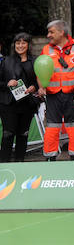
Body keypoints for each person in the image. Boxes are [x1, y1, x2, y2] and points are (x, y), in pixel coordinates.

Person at [41, 20, 74, 161]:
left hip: (73, 93)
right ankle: (49, 157)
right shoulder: (46, 49)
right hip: (53, 93)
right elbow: (40, 71)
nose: (48, 35)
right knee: (52, 127)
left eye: (51, 32)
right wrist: (41, 86)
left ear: (62, 32)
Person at [0, 33, 38, 162]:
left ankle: (20, 163)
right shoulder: (6, 60)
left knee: (23, 135)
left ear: (28, 45)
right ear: (14, 45)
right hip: (8, 104)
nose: (20, 45)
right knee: (8, 134)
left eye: (23, 43)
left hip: (27, 104)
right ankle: (4, 165)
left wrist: (34, 87)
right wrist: (7, 84)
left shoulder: (35, 61)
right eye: (18, 43)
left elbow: (39, 82)